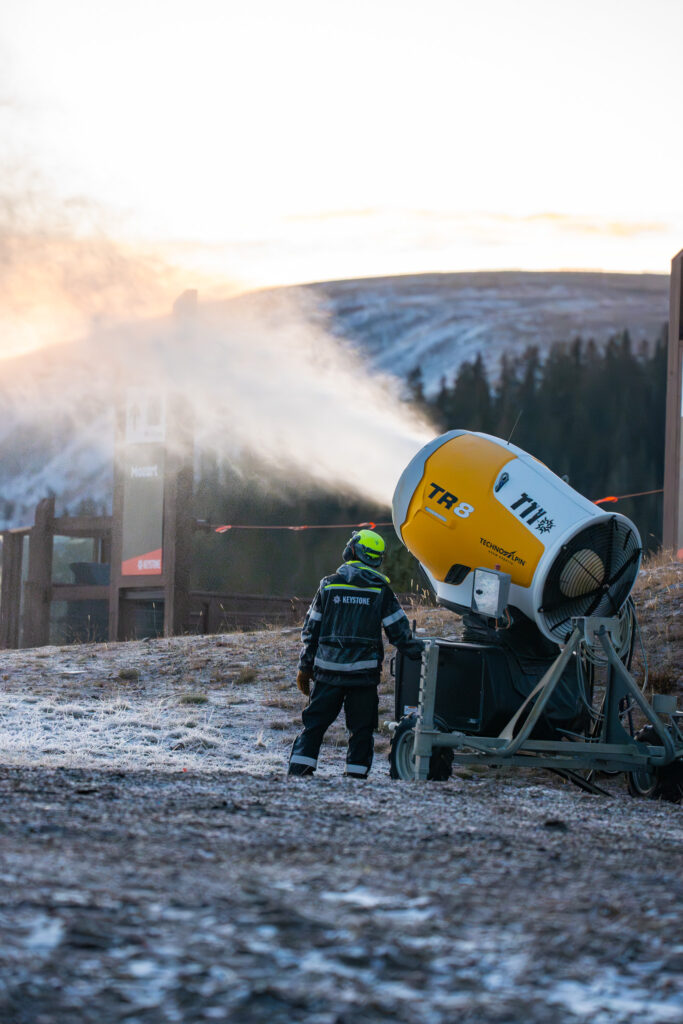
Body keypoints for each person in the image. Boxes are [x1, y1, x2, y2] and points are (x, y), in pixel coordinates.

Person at [288, 528, 424, 779]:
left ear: (353, 551)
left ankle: (298, 777)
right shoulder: (381, 591)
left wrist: (305, 667)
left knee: (314, 727)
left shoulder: (328, 586)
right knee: (361, 732)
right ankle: (356, 783)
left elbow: (311, 630)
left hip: (327, 675)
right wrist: (427, 655)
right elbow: (401, 635)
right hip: (363, 678)